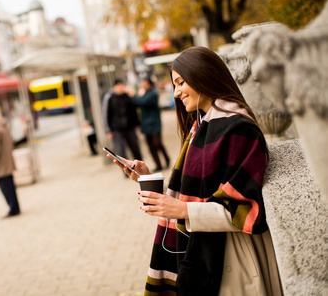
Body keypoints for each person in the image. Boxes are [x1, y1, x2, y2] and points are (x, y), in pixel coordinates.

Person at [109, 47, 282, 296]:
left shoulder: (237, 128)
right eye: (174, 85)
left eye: (181, 82)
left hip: (234, 258)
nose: (176, 92)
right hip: (207, 250)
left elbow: (246, 209)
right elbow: (198, 189)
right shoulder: (202, 125)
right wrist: (146, 177)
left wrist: (181, 210)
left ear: (203, 75)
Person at [131, 77, 170, 172]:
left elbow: (142, 102)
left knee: (157, 143)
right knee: (150, 146)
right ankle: (158, 164)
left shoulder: (153, 93)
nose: (143, 84)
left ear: (149, 84)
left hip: (154, 123)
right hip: (145, 124)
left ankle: (167, 159)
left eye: (144, 82)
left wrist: (133, 95)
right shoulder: (143, 93)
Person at [102, 78, 142, 162]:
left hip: (129, 127)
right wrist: (108, 130)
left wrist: (136, 123)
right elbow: (106, 114)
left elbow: (134, 110)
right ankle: (125, 170)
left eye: (122, 86)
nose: (121, 88)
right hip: (116, 129)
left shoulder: (127, 95)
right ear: (114, 87)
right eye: (118, 86)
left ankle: (139, 166)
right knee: (120, 150)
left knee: (135, 147)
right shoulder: (109, 97)